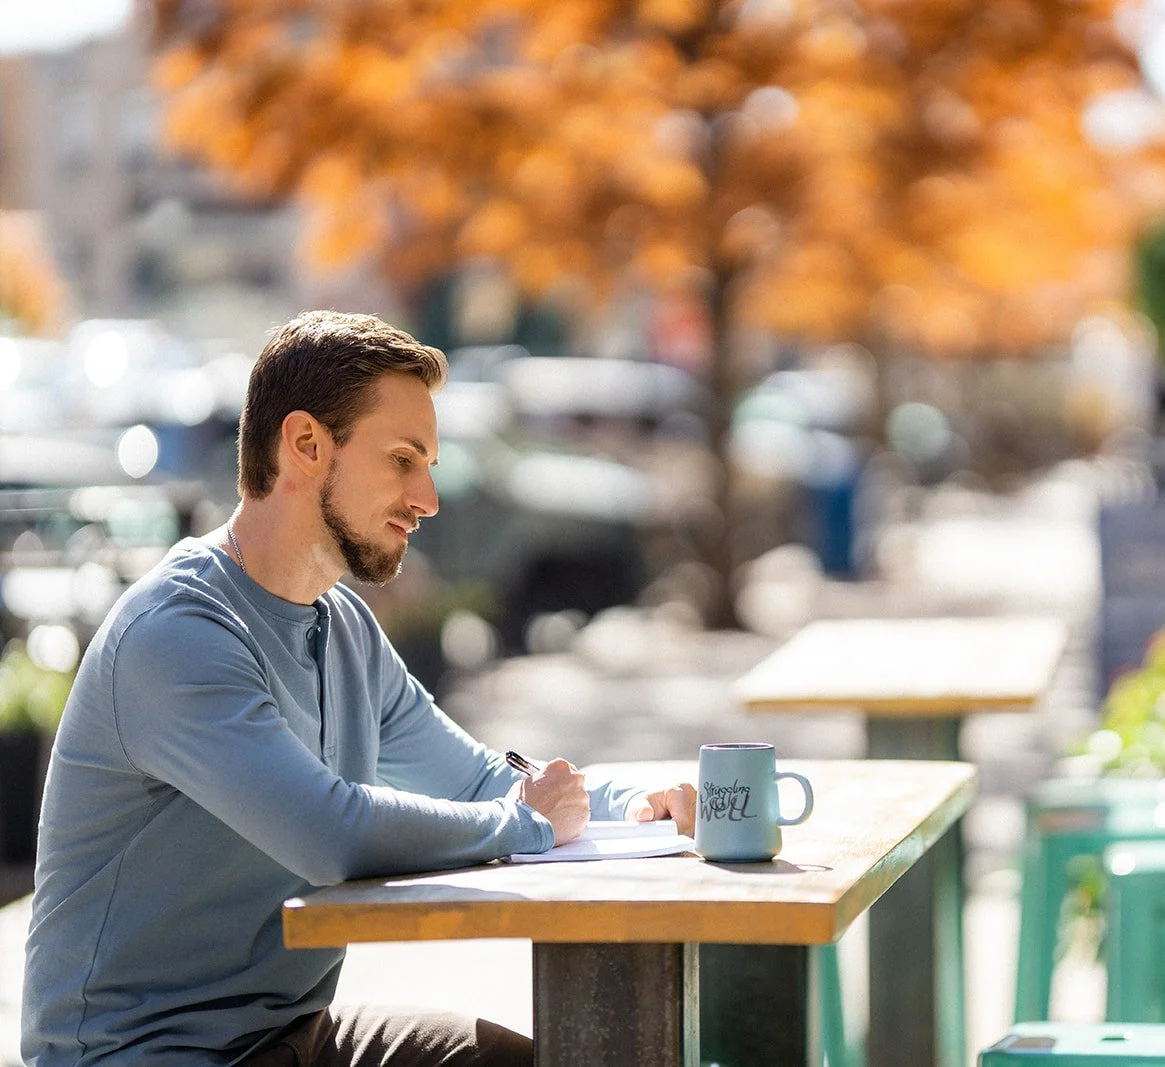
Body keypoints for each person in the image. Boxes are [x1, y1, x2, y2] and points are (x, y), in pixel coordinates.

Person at [22, 311, 696, 1066]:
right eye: (404, 460)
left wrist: (630, 809)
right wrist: (529, 827)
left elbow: (479, 779)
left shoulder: (341, 626)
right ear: (306, 445)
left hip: (289, 1037)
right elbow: (331, 833)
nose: (428, 498)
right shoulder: (178, 633)